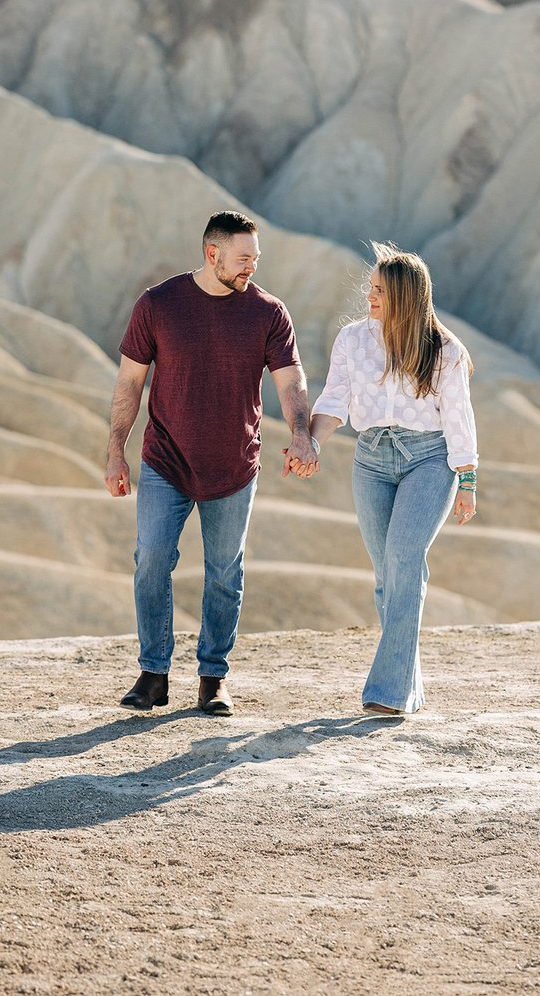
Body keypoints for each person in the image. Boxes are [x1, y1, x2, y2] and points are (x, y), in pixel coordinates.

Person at [105, 210, 318, 717]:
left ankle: (212, 679)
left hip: (234, 465)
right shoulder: (158, 305)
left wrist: (303, 436)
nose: (251, 268)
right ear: (212, 253)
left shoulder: (268, 312)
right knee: (152, 560)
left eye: (256, 259)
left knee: (225, 572)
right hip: (166, 460)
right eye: (243, 259)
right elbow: (130, 383)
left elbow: (290, 381)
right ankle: (153, 674)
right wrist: (116, 448)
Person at [303, 243, 477, 716]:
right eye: (370, 286)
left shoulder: (444, 350)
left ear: (404, 295)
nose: (369, 295)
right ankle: (409, 683)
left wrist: (467, 480)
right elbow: (334, 400)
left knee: (405, 556)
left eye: (379, 289)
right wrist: (311, 443)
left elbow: (459, 417)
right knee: (388, 575)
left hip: (429, 460)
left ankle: (387, 693)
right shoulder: (352, 340)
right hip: (371, 460)